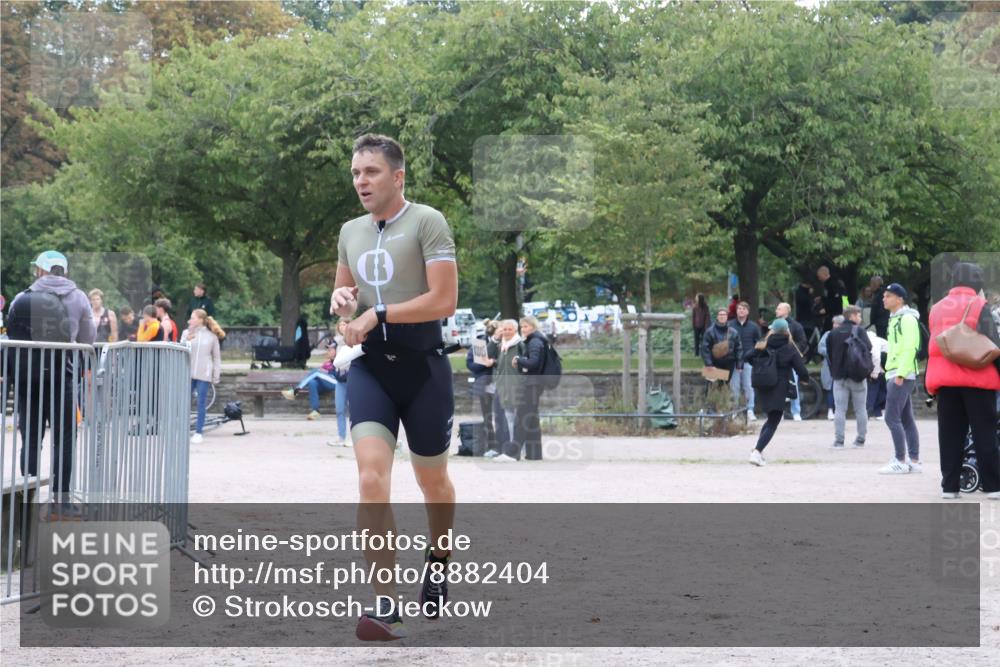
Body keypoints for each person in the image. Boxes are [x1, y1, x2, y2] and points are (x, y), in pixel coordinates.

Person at [328, 134, 457, 641]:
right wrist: (342, 305)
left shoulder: (428, 221)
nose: (361, 181)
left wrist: (377, 312)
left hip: (424, 368)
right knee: (370, 480)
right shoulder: (349, 232)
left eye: (372, 172)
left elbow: (443, 300)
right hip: (371, 369)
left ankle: (440, 556)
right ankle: (385, 603)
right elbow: (344, 312)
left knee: (433, 483)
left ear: (397, 177)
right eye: (357, 173)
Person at [6, 250, 96, 514]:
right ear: (64, 271)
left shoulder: (22, 298)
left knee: (31, 439)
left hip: (29, 378)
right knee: (64, 439)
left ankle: (27, 503)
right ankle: (62, 502)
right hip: (62, 376)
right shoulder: (79, 297)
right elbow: (88, 339)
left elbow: (12, 335)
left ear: (41, 271)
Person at [926, 262, 1000, 500]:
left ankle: (950, 487)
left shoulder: (936, 308)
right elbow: (994, 344)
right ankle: (992, 486)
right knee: (984, 433)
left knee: (949, 434)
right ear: (976, 281)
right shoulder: (979, 305)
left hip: (945, 381)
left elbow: (934, 345)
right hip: (978, 380)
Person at [745, 318, 809, 466]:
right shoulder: (789, 347)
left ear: (772, 330)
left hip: (763, 385)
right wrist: (805, 379)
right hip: (779, 387)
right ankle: (757, 452)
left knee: (770, 419)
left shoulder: (763, 343)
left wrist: (758, 364)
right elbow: (801, 369)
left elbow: (747, 356)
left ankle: (757, 450)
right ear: (787, 330)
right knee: (774, 421)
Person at [879, 283, 922, 474]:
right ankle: (913, 460)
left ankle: (900, 459)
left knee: (891, 417)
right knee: (906, 418)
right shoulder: (895, 318)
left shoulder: (907, 319)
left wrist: (901, 373)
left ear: (899, 299)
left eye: (888, 296)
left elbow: (910, 347)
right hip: (895, 371)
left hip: (901, 373)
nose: (884, 299)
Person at [826, 305, 871, 449]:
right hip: (858, 375)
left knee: (839, 409)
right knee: (860, 409)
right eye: (858, 315)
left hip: (839, 376)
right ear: (851, 316)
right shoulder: (860, 331)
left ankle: (839, 441)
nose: (860, 318)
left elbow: (829, 354)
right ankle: (860, 439)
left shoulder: (833, 333)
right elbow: (868, 349)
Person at [181, 308, 224, 444]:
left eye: (193, 318)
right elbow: (179, 350)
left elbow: (216, 357)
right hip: (188, 373)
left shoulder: (211, 336)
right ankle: (183, 429)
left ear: (200, 320)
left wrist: (216, 374)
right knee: (184, 402)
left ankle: (199, 432)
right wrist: (186, 340)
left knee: (201, 402)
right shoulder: (186, 333)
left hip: (204, 373)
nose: (190, 320)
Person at [512, 315, 547, 461]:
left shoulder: (534, 342)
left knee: (522, 418)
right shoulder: (539, 340)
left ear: (533, 327)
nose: (523, 329)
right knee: (532, 419)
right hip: (536, 383)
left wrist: (519, 360)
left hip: (532, 384)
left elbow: (533, 362)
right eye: (522, 327)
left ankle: (512, 454)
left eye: (526, 326)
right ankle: (534, 454)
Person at [281, 344, 340, 421]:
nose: (327, 352)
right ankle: (315, 411)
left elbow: (336, 374)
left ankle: (295, 391)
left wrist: (327, 368)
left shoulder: (340, 360)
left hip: (337, 383)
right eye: (327, 350)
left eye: (330, 350)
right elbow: (323, 375)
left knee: (315, 372)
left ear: (337, 351)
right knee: (312, 383)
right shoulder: (327, 363)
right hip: (326, 383)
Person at [492, 319, 523, 462]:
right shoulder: (501, 346)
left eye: (509, 329)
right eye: (504, 329)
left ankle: (517, 450)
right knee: (509, 419)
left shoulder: (520, 345)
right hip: (503, 387)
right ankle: (512, 450)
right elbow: (485, 354)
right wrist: (494, 338)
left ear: (515, 330)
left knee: (519, 419)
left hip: (517, 387)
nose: (506, 332)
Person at [466, 319, 499, 457]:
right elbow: (471, 365)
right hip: (485, 385)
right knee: (487, 417)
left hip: (500, 384)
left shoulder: (505, 342)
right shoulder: (480, 343)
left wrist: (494, 362)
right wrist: (486, 364)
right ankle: (491, 445)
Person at [728, 301, 761, 420]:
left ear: (747, 311)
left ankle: (750, 410)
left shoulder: (753, 326)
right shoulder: (730, 325)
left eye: (743, 309)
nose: (741, 311)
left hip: (748, 362)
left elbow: (758, 343)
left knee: (749, 386)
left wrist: (754, 356)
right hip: (734, 362)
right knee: (734, 387)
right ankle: (734, 410)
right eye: (739, 309)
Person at [774, 302, 807, 420]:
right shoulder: (774, 325)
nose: (776, 310)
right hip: (777, 361)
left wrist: (790, 351)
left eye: (779, 309)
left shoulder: (795, 326)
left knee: (794, 385)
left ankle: (796, 411)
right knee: (777, 387)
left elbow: (802, 342)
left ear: (786, 311)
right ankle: (779, 411)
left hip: (791, 360)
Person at [701, 308, 743, 393]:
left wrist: (739, 364)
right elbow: (705, 348)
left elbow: (739, 348)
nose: (722, 316)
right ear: (717, 316)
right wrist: (708, 363)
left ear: (727, 317)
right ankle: (710, 405)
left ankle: (722, 404)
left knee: (724, 386)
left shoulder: (734, 332)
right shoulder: (709, 332)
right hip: (714, 364)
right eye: (720, 314)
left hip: (729, 364)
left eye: (724, 315)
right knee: (712, 386)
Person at [816, 266, 848, 333]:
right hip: (832, 312)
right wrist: (822, 298)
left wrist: (826, 309)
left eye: (819, 276)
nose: (819, 278)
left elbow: (838, 299)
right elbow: (830, 297)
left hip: (836, 312)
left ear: (823, 274)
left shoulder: (834, 283)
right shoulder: (827, 283)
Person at [867, 330, 889, 420]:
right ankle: (876, 412)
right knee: (879, 389)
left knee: (875, 389)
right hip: (881, 366)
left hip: (882, 364)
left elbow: (876, 356)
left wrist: (875, 372)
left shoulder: (872, 341)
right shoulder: (877, 340)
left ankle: (874, 412)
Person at [818, 320, 837, 421]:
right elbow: (820, 348)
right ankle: (830, 410)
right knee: (830, 388)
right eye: (834, 323)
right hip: (829, 365)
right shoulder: (827, 334)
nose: (835, 325)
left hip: (841, 366)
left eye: (837, 323)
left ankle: (839, 410)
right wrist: (831, 352)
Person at [691, 293, 710, 358]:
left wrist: (706, 326)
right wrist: (693, 325)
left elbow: (707, 316)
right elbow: (693, 316)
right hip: (696, 326)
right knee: (696, 340)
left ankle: (703, 353)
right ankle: (696, 354)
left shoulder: (705, 306)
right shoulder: (695, 306)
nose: (695, 298)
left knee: (703, 340)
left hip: (703, 326)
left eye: (697, 297)